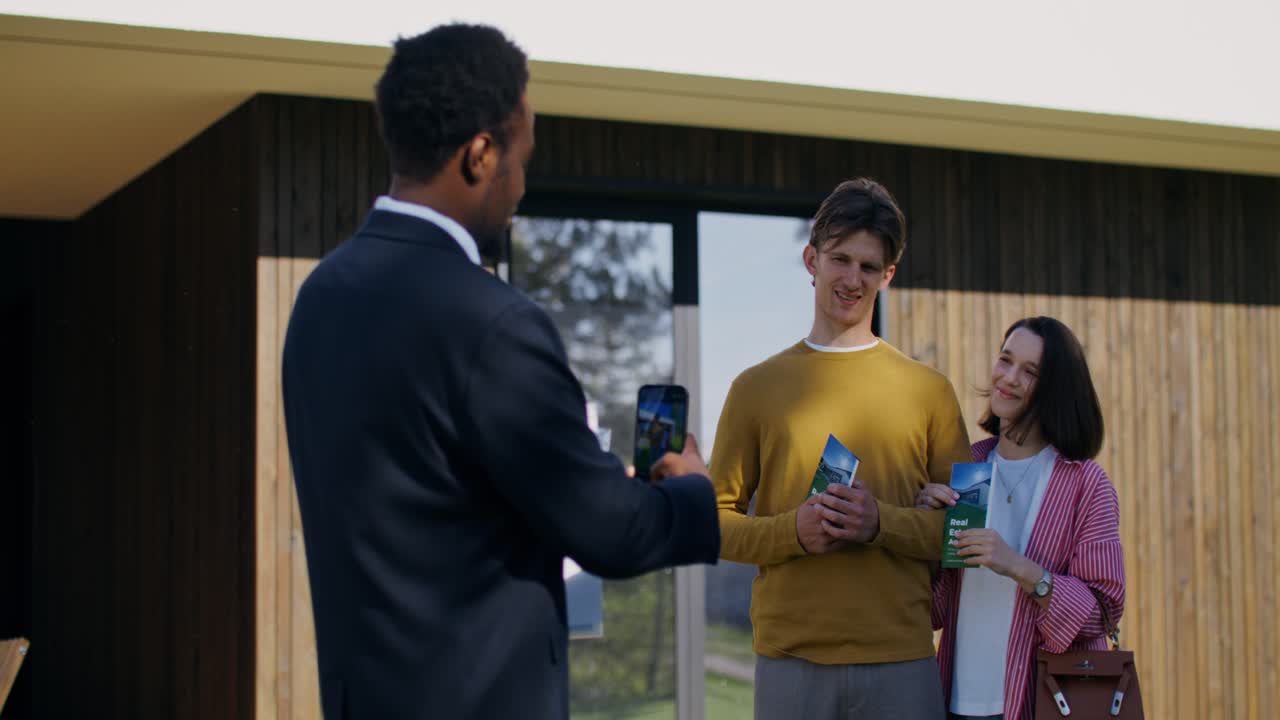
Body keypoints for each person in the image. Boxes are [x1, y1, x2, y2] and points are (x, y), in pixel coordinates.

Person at [280, 24, 720, 720]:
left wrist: (579, 482)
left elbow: (431, 496)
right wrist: (694, 493)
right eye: (522, 154)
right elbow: (615, 533)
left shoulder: (320, 299)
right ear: (482, 154)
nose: (521, 182)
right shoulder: (491, 323)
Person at [711, 178, 971, 719]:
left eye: (869, 267)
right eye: (840, 259)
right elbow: (714, 524)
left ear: (888, 275)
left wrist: (881, 523)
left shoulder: (931, 392)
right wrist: (794, 532)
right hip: (790, 661)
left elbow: (968, 533)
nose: (853, 279)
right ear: (811, 259)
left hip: (902, 660)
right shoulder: (753, 388)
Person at [916, 316, 1125, 720]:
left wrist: (1018, 566)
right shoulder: (967, 466)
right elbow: (934, 610)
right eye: (1005, 360)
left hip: (1040, 703)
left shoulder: (1084, 482)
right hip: (956, 701)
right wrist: (928, 532)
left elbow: (1103, 611)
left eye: (1029, 372)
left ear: (1055, 389)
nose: (1008, 378)